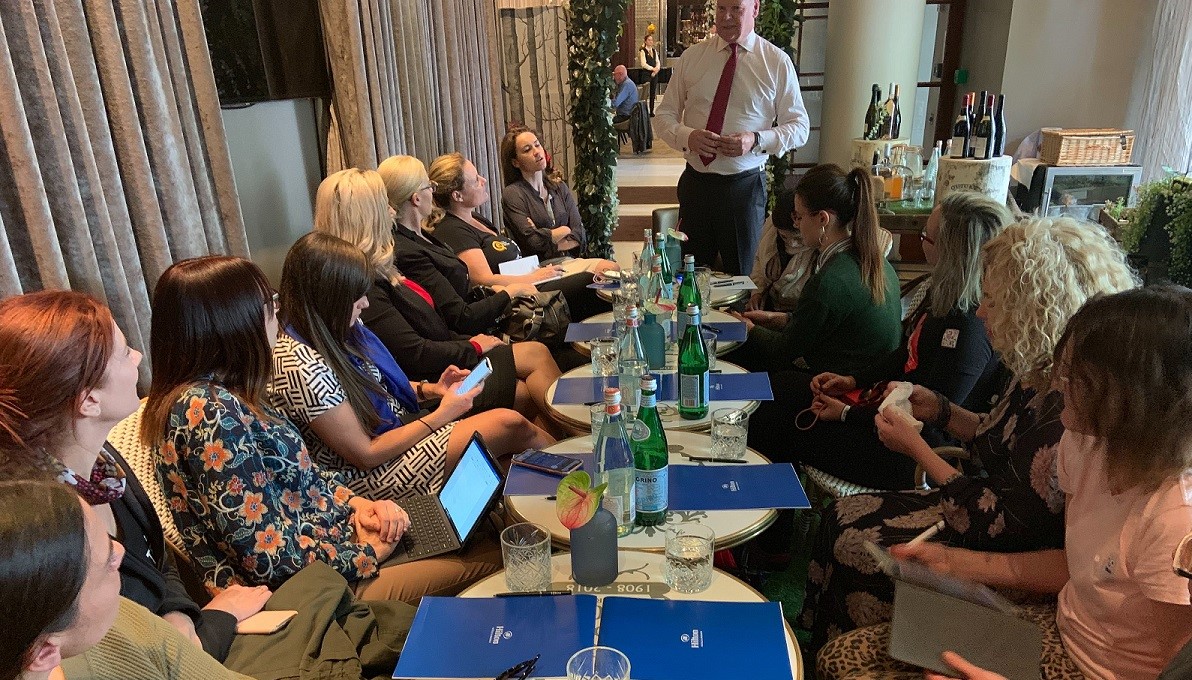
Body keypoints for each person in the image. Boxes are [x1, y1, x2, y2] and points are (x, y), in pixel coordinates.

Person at [798, 216, 1138, 656]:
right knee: (839, 516)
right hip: (974, 506)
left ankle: (855, 650)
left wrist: (917, 448)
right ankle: (818, 648)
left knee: (856, 547)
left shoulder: (1069, 404)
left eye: (992, 301)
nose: (980, 311)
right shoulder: (1036, 369)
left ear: (1031, 308)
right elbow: (992, 434)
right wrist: (940, 408)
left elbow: (1002, 524)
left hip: (1003, 544)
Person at [818, 287, 1192, 680]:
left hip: (1096, 671)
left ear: (1131, 398)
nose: (1058, 385)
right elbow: (1075, 565)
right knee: (840, 658)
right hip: (1059, 632)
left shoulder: (1174, 518)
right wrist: (956, 563)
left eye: (1076, 377)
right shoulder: (1084, 444)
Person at [143, 255, 502, 603]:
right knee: (497, 556)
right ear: (234, 323)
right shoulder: (208, 412)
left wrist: (360, 505)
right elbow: (266, 558)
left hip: (334, 540)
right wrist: (365, 553)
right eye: (269, 305)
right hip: (315, 586)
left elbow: (309, 478)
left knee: (482, 532)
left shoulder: (231, 391)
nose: (277, 314)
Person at [0, 290, 272, 663]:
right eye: (125, 352)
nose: (139, 356)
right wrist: (214, 621)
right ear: (89, 401)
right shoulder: (48, 530)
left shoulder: (104, 464)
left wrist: (179, 614)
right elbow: (107, 654)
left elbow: (157, 559)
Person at [747, 192, 1010, 491]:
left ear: (949, 252)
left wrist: (847, 414)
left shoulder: (970, 328)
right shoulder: (945, 294)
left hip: (912, 451)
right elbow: (904, 354)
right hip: (887, 412)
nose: (921, 241)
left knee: (775, 423)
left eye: (925, 236)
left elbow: (928, 414)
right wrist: (852, 380)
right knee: (781, 386)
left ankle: (766, 507)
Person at [270, 232, 553, 502]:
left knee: (519, 418)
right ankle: (573, 476)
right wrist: (443, 414)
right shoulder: (299, 365)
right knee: (509, 424)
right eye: (357, 296)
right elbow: (366, 455)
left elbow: (377, 385)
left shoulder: (334, 326)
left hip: (393, 429)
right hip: (367, 475)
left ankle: (557, 490)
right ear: (328, 297)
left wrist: (431, 389)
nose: (365, 303)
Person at [315, 168, 557, 419]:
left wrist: (469, 342)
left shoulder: (379, 266)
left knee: (535, 361)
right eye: (383, 204)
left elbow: (433, 327)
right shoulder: (364, 285)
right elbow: (413, 353)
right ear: (367, 216)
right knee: (524, 388)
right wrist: (472, 346)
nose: (391, 211)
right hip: (430, 383)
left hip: (443, 364)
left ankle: (571, 434)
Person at [0, 479, 255, 680]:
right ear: (43, 654)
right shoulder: (112, 632)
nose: (121, 551)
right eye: (107, 564)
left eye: (109, 540)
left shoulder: (124, 620)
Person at [654, 0, 809, 275]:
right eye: (721, 8)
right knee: (690, 277)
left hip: (743, 190)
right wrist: (687, 136)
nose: (726, 17)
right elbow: (664, 115)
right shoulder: (692, 57)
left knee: (742, 277)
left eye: (736, 8)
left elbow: (799, 127)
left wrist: (756, 140)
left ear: (755, 8)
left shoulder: (775, 61)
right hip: (696, 185)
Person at [727, 163, 901, 375]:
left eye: (800, 217)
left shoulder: (829, 280)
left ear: (822, 219)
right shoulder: (875, 260)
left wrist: (749, 329)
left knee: (735, 354)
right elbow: (828, 325)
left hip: (837, 382)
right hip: (871, 376)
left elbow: (784, 350)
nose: (797, 225)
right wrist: (777, 319)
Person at [427, 152, 610, 321]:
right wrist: (535, 277)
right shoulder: (453, 230)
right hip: (518, 293)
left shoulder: (475, 218)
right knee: (591, 283)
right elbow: (483, 280)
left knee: (606, 277)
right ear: (457, 196)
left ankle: (598, 338)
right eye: (476, 180)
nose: (484, 180)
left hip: (530, 276)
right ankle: (591, 340)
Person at [377, 155, 531, 335]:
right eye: (429, 186)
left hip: (480, 315)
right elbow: (460, 317)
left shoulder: (421, 235)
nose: (433, 192)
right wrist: (509, 293)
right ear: (416, 199)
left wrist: (494, 293)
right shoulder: (409, 251)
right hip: (469, 334)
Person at [745, 186, 895, 315]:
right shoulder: (774, 226)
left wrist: (760, 326)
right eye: (784, 237)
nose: (791, 243)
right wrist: (757, 293)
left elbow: (801, 329)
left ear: (822, 220)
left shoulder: (828, 274)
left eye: (797, 238)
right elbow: (759, 259)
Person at [499, 126, 588, 260]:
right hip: (538, 267)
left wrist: (546, 237)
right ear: (515, 162)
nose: (536, 152)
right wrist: (565, 230)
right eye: (527, 150)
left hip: (568, 261)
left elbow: (580, 234)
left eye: (537, 145)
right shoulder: (513, 194)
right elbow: (533, 243)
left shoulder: (559, 187)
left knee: (609, 267)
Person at [638, 34, 662, 116]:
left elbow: (658, 62)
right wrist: (652, 69)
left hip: (654, 74)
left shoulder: (654, 51)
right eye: (649, 40)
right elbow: (643, 64)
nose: (651, 41)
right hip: (646, 74)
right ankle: (644, 112)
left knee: (653, 93)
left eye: (651, 40)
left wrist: (656, 69)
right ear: (645, 41)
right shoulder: (643, 51)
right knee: (646, 93)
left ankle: (651, 111)